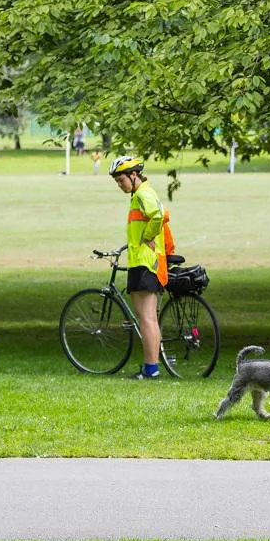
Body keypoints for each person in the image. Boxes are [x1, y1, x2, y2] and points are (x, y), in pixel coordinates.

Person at [110, 156, 166, 379]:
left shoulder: (143, 194)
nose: (119, 184)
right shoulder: (141, 194)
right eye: (116, 181)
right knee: (148, 317)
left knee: (147, 318)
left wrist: (146, 237)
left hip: (144, 263)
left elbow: (157, 216)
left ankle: (151, 369)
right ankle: (150, 367)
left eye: (121, 179)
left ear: (134, 175)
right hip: (141, 261)